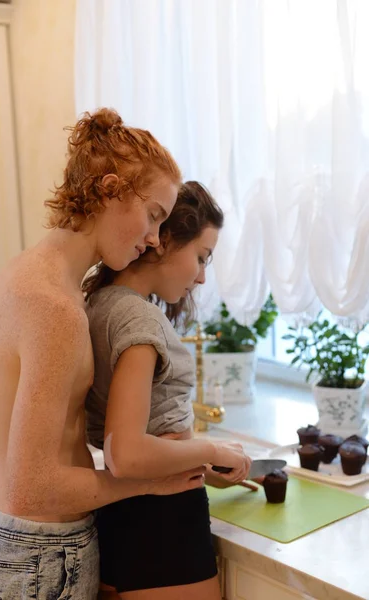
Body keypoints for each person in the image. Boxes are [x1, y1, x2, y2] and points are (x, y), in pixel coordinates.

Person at [0, 109, 207, 600]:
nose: (153, 239)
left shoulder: (20, 277)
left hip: (7, 539)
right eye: (154, 215)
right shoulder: (55, 306)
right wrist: (148, 484)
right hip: (40, 554)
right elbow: (32, 486)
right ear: (109, 190)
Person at [84, 181, 252, 600]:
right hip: (164, 529)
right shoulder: (139, 321)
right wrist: (210, 452)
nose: (200, 277)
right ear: (164, 241)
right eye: (201, 257)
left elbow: (134, 440)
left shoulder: (99, 303)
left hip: (120, 521)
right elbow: (128, 452)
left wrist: (200, 461)